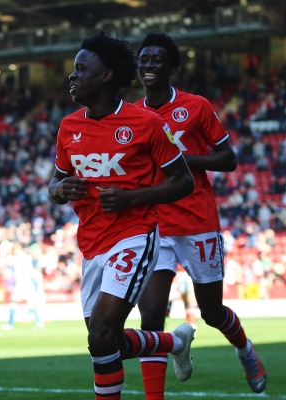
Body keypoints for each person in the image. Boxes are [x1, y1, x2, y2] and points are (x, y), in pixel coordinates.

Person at [48, 31, 196, 400]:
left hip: (135, 233)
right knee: (104, 342)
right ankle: (172, 341)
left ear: (107, 76)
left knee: (100, 332)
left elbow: (183, 181)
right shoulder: (69, 127)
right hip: (92, 243)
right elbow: (56, 182)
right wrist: (61, 190)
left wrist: (133, 197)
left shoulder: (146, 123)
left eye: (82, 68)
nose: (73, 75)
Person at [133, 32, 267, 398]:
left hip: (197, 221)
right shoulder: (132, 115)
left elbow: (229, 159)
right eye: (143, 59)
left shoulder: (196, 107)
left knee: (211, 312)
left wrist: (177, 159)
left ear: (173, 67)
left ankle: (245, 351)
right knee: (151, 317)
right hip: (156, 224)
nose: (149, 65)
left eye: (157, 59)